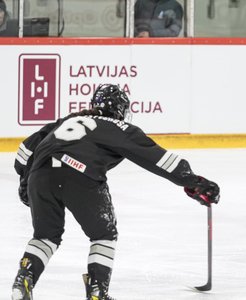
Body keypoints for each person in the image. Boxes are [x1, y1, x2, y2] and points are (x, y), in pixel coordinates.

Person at [11, 84, 220, 300]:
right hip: (79, 172)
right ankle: (97, 292)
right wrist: (195, 182)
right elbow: (158, 159)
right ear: (120, 110)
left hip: (40, 174)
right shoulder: (119, 127)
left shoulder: (67, 120)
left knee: (46, 235)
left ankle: (23, 281)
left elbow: (23, 152)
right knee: (103, 234)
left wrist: (25, 180)